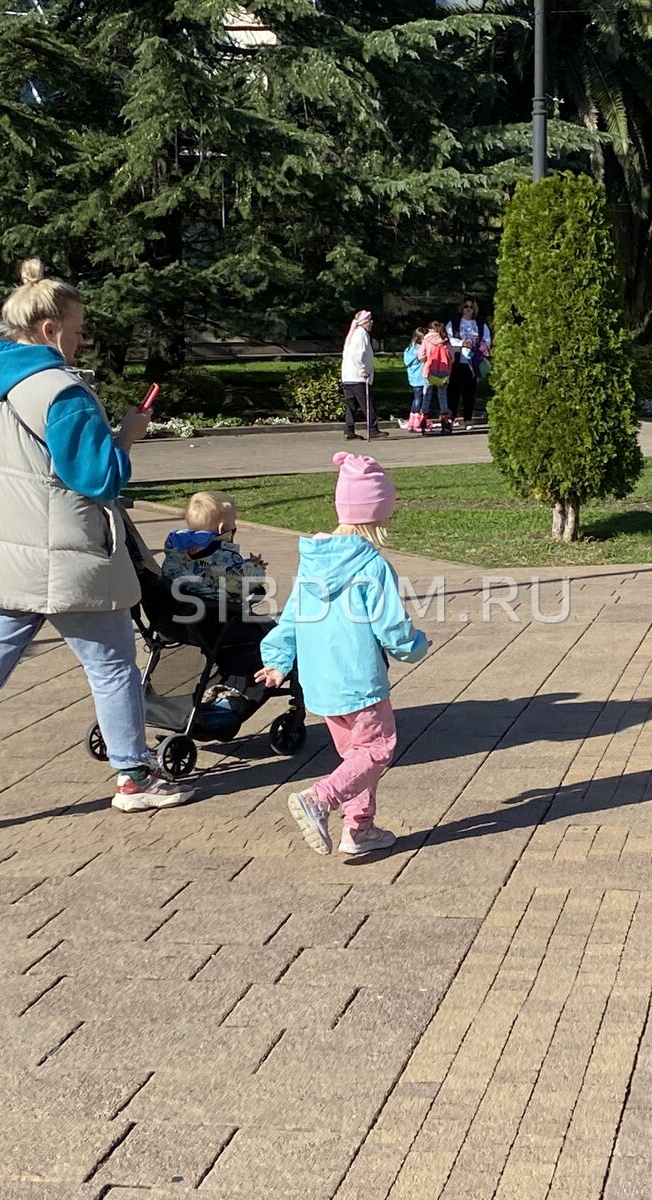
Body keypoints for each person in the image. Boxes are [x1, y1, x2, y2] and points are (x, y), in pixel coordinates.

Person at [0, 258, 192, 835]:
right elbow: (99, 478)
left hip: (4, 556)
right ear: (50, 329)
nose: (82, 341)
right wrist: (127, 437)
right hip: (64, 557)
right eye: (77, 330)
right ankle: (134, 775)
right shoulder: (63, 392)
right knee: (113, 666)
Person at [256, 452, 429, 857]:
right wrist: (415, 645)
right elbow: (391, 627)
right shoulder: (372, 566)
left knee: (356, 755)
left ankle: (359, 829)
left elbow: (292, 617)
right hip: (359, 681)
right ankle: (320, 798)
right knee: (377, 749)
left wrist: (278, 660)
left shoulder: (312, 564)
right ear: (377, 515)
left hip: (320, 682)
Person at [161, 490, 267, 605]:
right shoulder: (220, 552)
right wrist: (256, 568)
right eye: (234, 521)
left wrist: (245, 563)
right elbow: (239, 578)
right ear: (221, 528)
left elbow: (213, 568)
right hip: (219, 607)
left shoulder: (178, 550)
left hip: (188, 602)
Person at [444, 298, 491, 430]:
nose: (468, 309)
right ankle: (451, 418)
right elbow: (448, 339)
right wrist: (462, 343)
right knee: (453, 390)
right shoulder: (454, 323)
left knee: (469, 392)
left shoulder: (480, 324)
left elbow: (487, 340)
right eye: (466, 307)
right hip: (457, 361)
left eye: (471, 307)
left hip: (473, 362)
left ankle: (468, 419)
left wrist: (478, 346)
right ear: (461, 309)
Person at [340, 309, 385, 441]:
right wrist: (363, 370)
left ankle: (349, 430)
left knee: (351, 406)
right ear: (364, 322)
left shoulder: (353, 334)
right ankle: (373, 429)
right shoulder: (361, 334)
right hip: (357, 377)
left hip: (348, 377)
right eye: (370, 321)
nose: (372, 323)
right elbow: (358, 355)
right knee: (368, 404)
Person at [420, 321, 453, 433]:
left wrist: (427, 360)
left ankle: (423, 417)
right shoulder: (445, 340)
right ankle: (445, 421)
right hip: (443, 373)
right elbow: (452, 358)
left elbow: (420, 356)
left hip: (429, 371)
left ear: (430, 329)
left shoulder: (426, 340)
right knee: (442, 396)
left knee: (427, 395)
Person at [401, 327, 430, 433]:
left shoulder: (410, 349)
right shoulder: (421, 349)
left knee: (416, 398)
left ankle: (412, 422)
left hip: (413, 377)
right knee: (420, 399)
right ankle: (418, 421)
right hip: (421, 376)